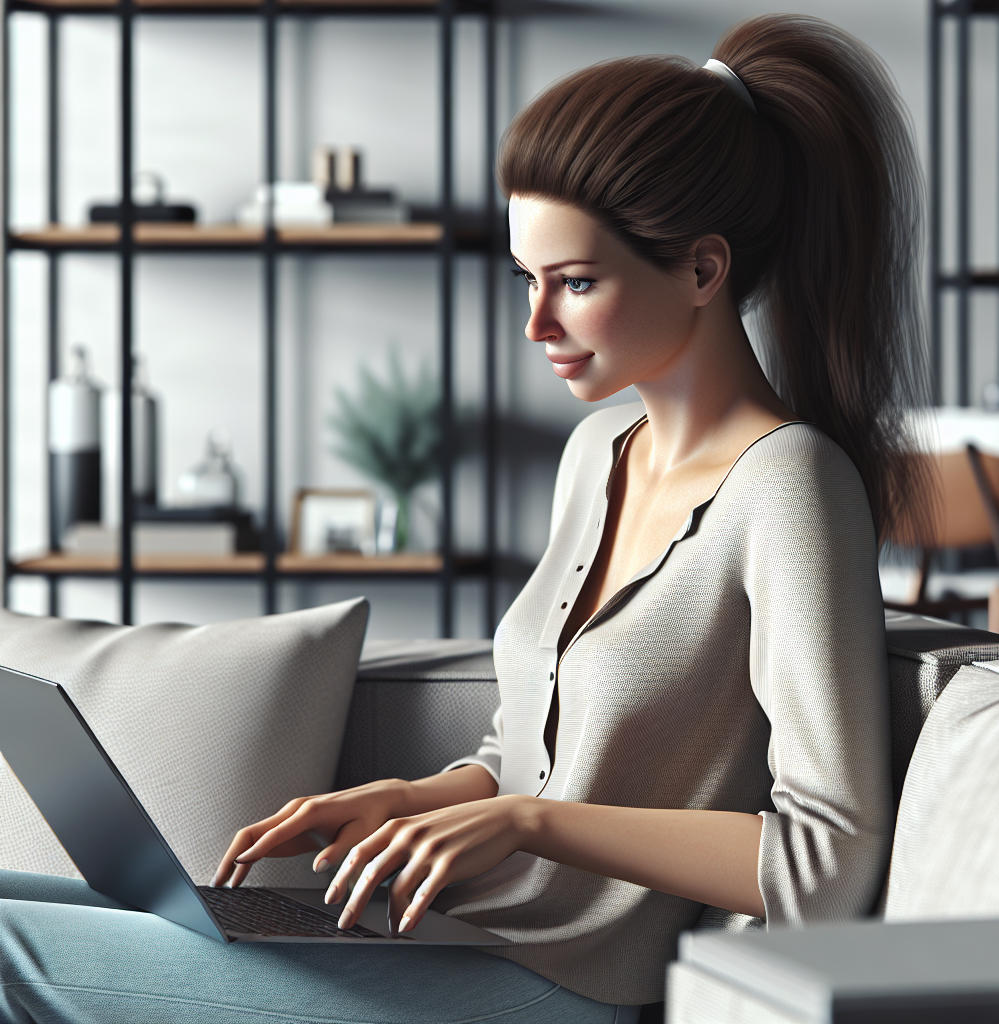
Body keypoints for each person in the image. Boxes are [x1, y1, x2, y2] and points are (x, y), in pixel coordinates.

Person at [0, 13, 931, 1024]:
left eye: (575, 284)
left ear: (702, 271)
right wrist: (413, 798)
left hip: (555, 987)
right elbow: (528, 750)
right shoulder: (598, 454)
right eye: (526, 281)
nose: (535, 325)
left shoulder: (788, 484)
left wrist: (528, 822)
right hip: (453, 935)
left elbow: (823, 858)